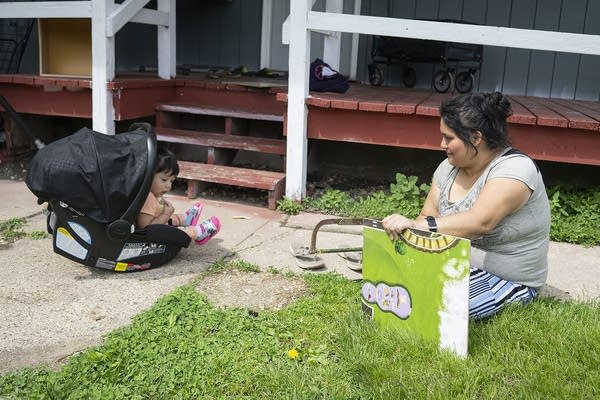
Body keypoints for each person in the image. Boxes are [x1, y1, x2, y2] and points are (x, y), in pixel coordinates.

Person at [382, 92, 550, 319]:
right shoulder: (447, 169)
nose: (442, 144)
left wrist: (419, 225)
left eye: (449, 138)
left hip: (508, 279)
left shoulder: (516, 169)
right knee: (393, 287)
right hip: (456, 264)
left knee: (439, 308)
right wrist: (406, 228)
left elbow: (480, 222)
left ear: (476, 137)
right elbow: (427, 217)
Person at [137, 147, 221, 245]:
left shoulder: (151, 195)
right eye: (164, 180)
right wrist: (165, 215)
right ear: (148, 176)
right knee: (174, 232)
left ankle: (185, 219)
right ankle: (196, 233)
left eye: (171, 181)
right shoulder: (148, 199)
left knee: (169, 218)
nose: (168, 185)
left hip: (158, 225)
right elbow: (146, 230)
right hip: (149, 239)